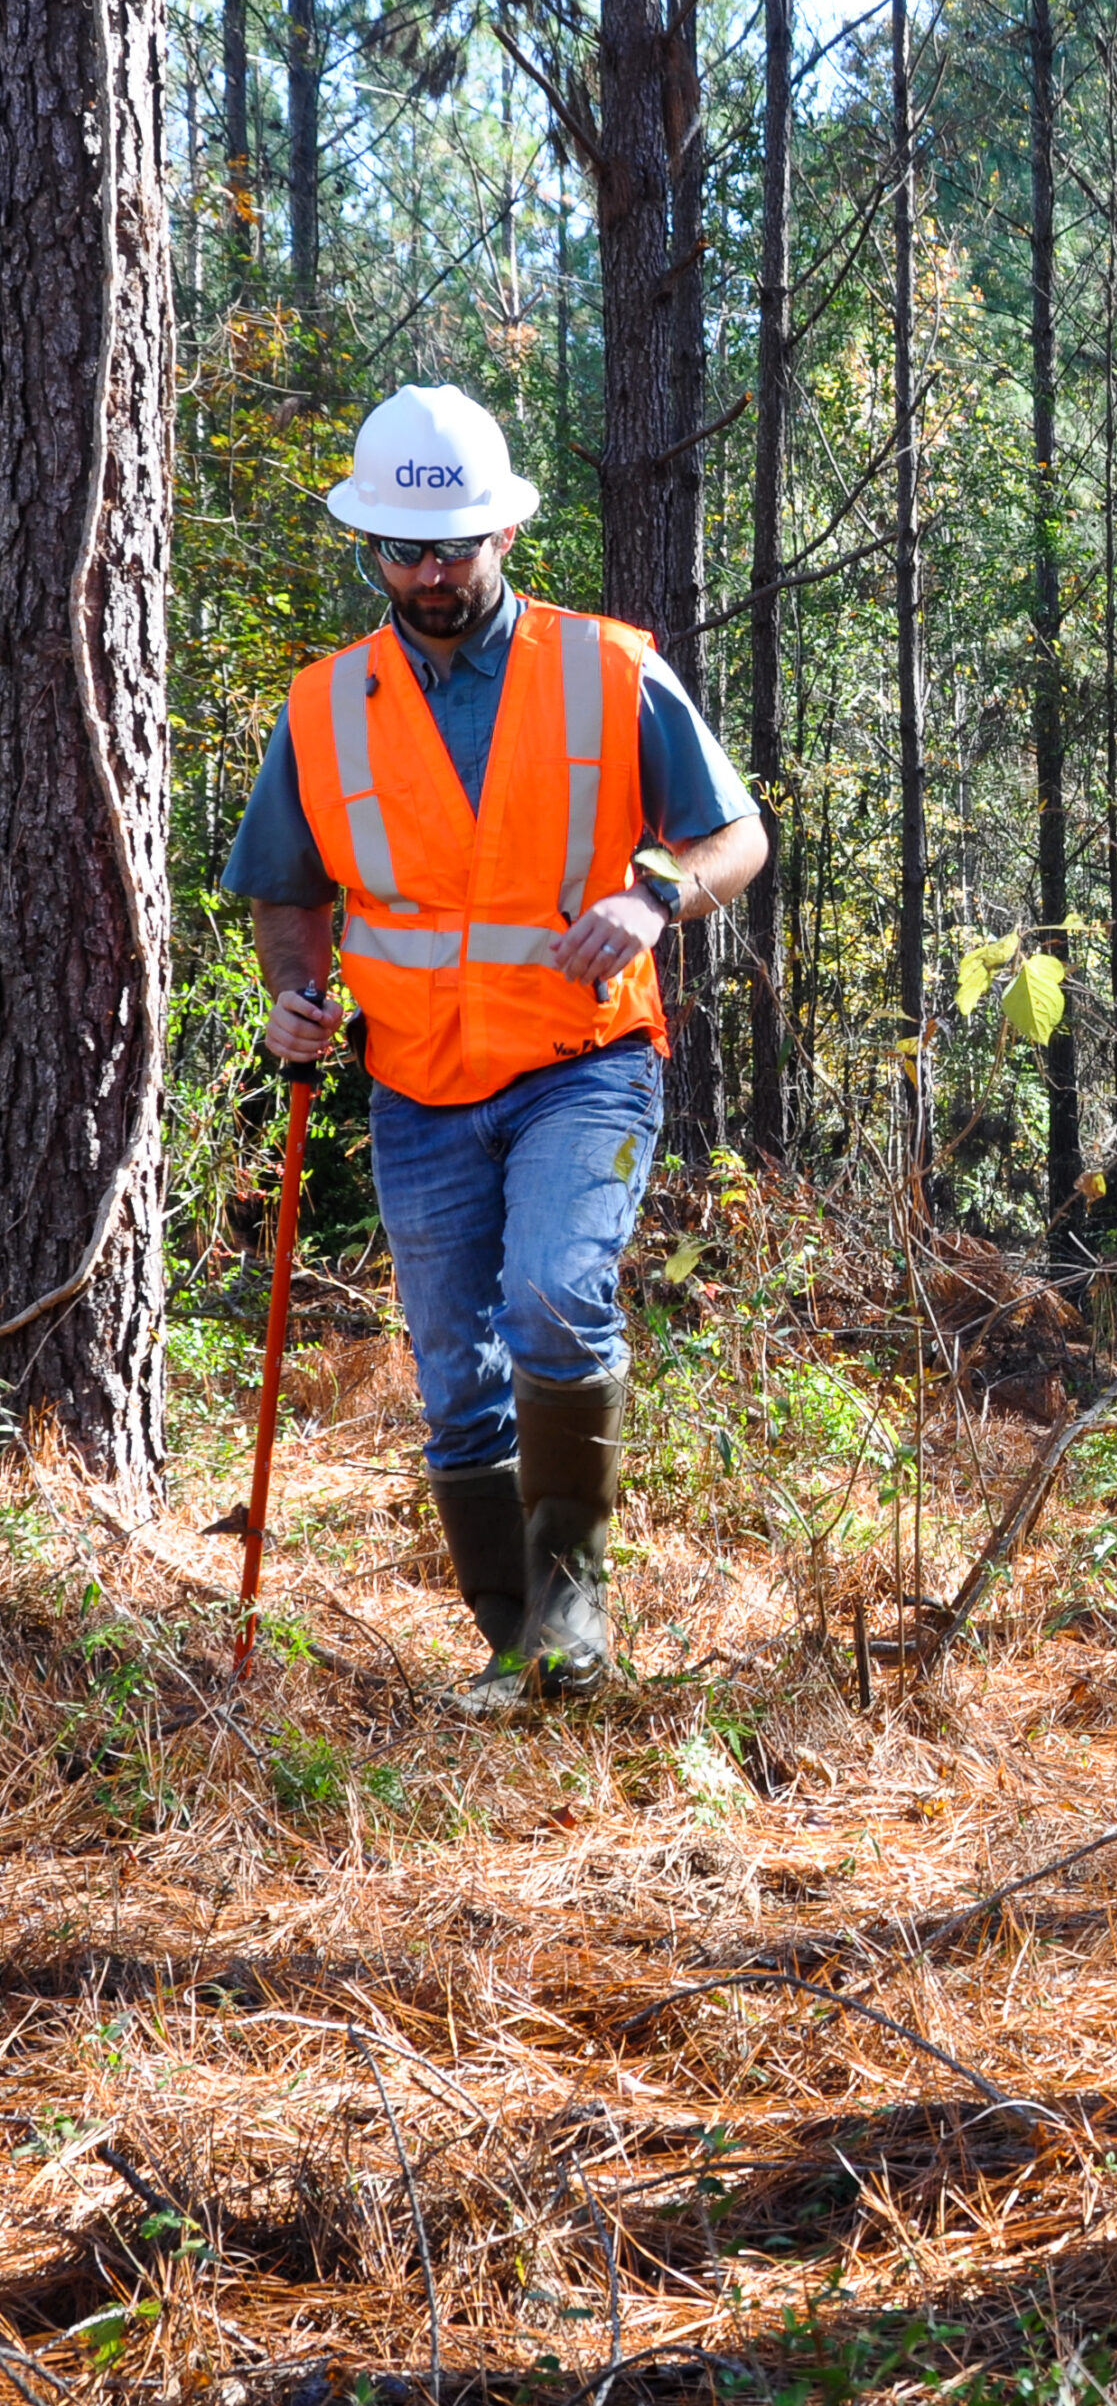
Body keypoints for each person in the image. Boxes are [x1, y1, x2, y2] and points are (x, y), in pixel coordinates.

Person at [223, 383, 767, 1715]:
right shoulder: (322, 704)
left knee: (551, 1295)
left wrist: (651, 896)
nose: (426, 575)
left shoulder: (609, 669)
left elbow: (735, 837)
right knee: (451, 1371)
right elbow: (286, 892)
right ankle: (511, 1642)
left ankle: (573, 1613)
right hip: (412, 1079)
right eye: (402, 553)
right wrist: (298, 995)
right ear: (371, 551)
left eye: (450, 549)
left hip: (583, 1059)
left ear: (503, 537)